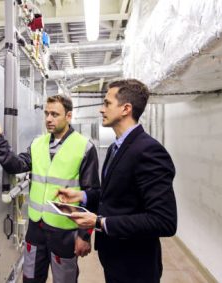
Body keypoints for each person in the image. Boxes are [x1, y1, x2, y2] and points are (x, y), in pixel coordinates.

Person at [58, 79, 177, 283]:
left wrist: (99, 222)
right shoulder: (117, 147)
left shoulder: (149, 150)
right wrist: (83, 195)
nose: (101, 110)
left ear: (126, 109)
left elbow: (163, 221)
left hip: (135, 267)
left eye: (107, 103)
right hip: (114, 259)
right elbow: (115, 196)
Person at [0, 95, 100, 283]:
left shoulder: (84, 147)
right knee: (30, 278)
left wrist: (84, 235)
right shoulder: (38, 144)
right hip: (36, 229)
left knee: (65, 280)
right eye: (47, 113)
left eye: (55, 114)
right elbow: (15, 165)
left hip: (64, 232)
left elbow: (93, 195)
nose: (48, 118)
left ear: (68, 116)